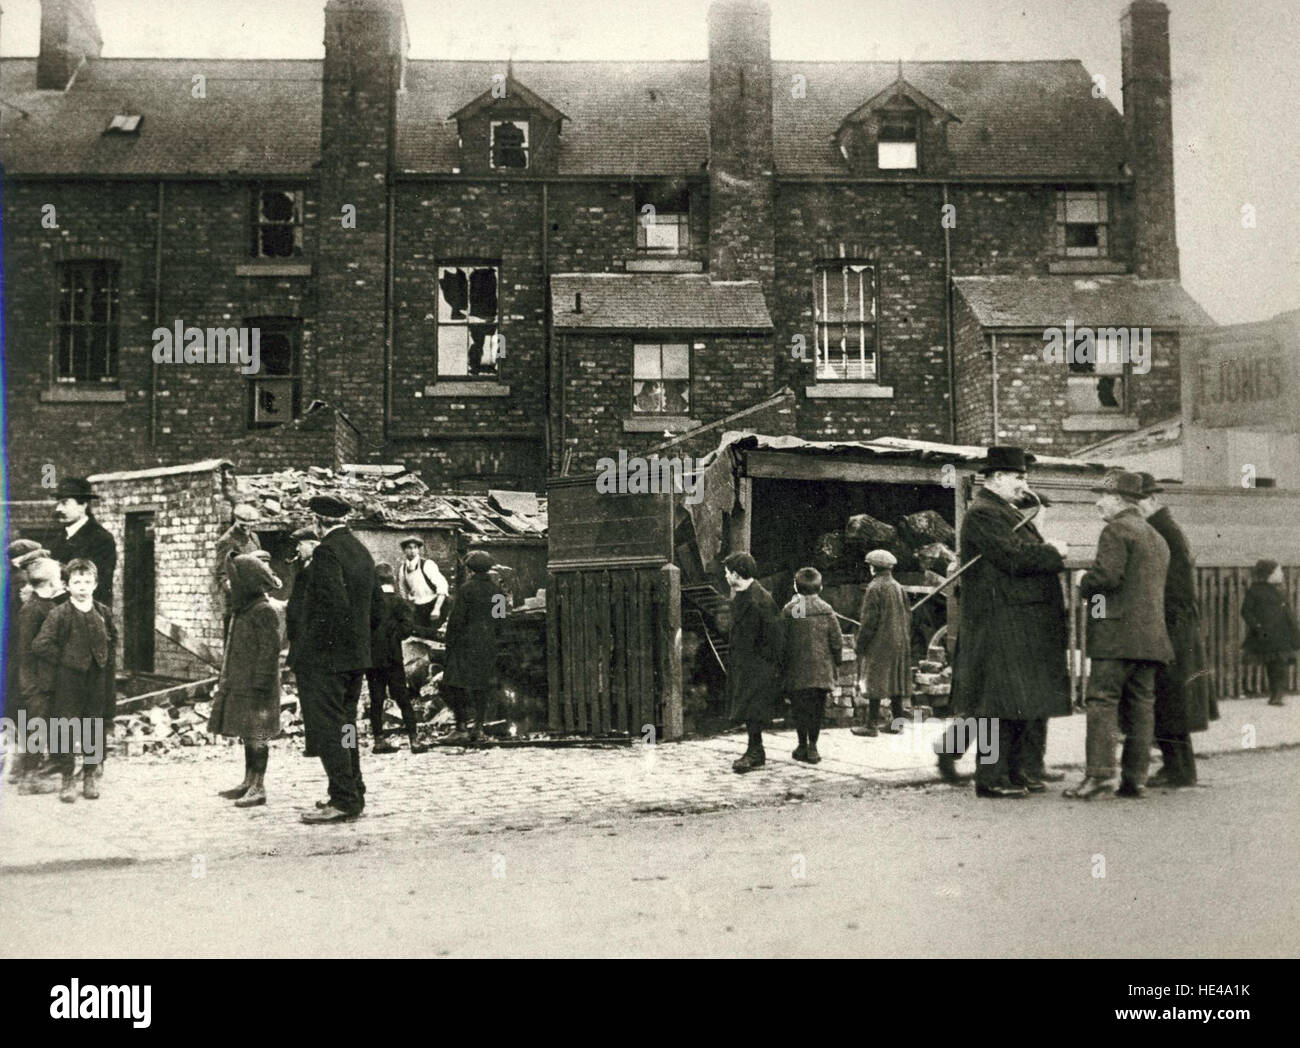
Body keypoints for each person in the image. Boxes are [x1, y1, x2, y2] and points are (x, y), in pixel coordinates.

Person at [946, 446, 1071, 798]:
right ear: (997, 478)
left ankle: (1015, 773)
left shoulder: (1002, 510)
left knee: (1015, 701)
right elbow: (1012, 557)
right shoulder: (984, 513)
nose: (1023, 483)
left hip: (1016, 623)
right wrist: (1053, 551)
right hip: (999, 623)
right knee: (995, 705)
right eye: (1019, 477)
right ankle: (991, 779)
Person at [1066, 470, 1174, 800]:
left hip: (1115, 637)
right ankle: (1135, 779)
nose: (1098, 503)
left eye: (1102, 497)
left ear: (1118, 500)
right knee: (1142, 706)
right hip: (1151, 639)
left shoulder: (1115, 530)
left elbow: (1107, 579)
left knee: (1101, 702)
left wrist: (1084, 583)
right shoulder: (1156, 537)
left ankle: (1099, 776)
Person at [294, 495, 383, 824]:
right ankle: (352, 789)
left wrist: (315, 649)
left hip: (328, 661)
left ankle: (344, 799)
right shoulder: (361, 551)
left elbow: (330, 607)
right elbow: (377, 609)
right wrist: (359, 644)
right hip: (356, 658)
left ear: (318, 522)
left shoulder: (326, 552)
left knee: (329, 727)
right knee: (347, 724)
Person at [1136, 472, 1214, 787]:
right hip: (1175, 625)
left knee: (1171, 700)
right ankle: (1178, 768)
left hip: (1171, 626)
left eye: (1137, 501)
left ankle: (1179, 770)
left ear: (1152, 500)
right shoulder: (1163, 528)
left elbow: (1175, 588)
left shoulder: (1161, 531)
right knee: (1170, 700)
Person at [30, 559, 117, 803]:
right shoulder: (59, 614)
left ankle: (90, 775)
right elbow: (40, 644)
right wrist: (67, 660)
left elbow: (112, 643)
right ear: (67, 586)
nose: (82, 587)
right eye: (77, 582)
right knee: (66, 727)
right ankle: (67, 778)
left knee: (94, 726)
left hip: (97, 679)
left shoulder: (103, 613)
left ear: (96, 584)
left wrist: (106, 669)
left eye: (87, 582)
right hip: (68, 680)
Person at [209, 554, 284, 808]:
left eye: (234, 580)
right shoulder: (245, 609)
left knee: (258, 735)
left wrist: (261, 683)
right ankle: (248, 780)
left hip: (259, 687)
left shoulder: (263, 610)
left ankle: (259, 786)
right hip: (244, 684)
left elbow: (269, 651)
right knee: (247, 733)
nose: (230, 585)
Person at [722, 552, 782, 774]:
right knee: (748, 708)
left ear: (736, 574)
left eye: (727, 573)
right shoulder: (743, 595)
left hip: (758, 665)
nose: (726, 576)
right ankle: (755, 750)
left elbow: (775, 636)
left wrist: (762, 662)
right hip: (746, 663)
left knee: (753, 709)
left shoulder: (760, 600)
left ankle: (755, 752)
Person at [780, 567, 843, 765]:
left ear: (795, 586)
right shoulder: (826, 609)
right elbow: (837, 641)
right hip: (821, 671)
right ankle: (813, 746)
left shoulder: (790, 610)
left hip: (796, 670)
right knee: (817, 709)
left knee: (800, 709)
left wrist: (781, 666)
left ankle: (801, 745)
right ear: (820, 587)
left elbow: (781, 641)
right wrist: (837, 662)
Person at [13, 557, 65, 793]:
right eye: (58, 577)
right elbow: (31, 648)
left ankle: (32, 772)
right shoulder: (34, 609)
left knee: (43, 724)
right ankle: (28, 779)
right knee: (37, 727)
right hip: (36, 679)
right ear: (50, 581)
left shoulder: (44, 605)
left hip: (43, 678)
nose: (61, 581)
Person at [441, 550, 504, 743]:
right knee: (481, 686)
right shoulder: (497, 592)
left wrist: (449, 642)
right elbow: (500, 620)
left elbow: (456, 620)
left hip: (465, 644)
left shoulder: (466, 589)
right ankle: (478, 727)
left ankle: (460, 727)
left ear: (470, 570)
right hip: (487, 644)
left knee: (454, 684)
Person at [367, 561, 426, 754]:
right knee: (402, 698)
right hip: (393, 657)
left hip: (373, 658)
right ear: (392, 580)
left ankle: (378, 740)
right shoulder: (399, 602)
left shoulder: (369, 602)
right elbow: (408, 627)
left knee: (376, 699)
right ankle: (414, 740)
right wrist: (395, 637)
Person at [852, 549, 911, 737]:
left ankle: (871, 725)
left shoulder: (874, 587)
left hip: (880, 641)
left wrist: (860, 644)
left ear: (873, 568)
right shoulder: (898, 587)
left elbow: (869, 621)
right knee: (895, 679)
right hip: (900, 640)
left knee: (873, 679)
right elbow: (908, 615)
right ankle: (897, 723)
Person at [49, 477, 117, 608]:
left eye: (64, 503)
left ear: (83, 505)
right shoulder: (59, 537)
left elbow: (96, 584)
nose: (58, 509)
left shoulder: (101, 539)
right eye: (58, 503)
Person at [1242, 559, 1299, 707]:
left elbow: (1286, 611)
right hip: (1267, 634)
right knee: (1273, 664)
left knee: (1280, 664)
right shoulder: (1255, 590)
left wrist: (1294, 627)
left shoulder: (1278, 589)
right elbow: (1246, 611)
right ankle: (1276, 694)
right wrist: (1258, 627)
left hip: (1282, 633)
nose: (1281, 574)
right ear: (1269, 574)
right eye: (1278, 571)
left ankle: (1277, 694)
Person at [213, 502, 262, 637]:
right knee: (235, 645)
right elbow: (222, 575)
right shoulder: (227, 541)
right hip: (237, 603)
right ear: (237, 520)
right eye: (244, 524)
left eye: (251, 524)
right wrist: (237, 592)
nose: (248, 528)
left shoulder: (254, 537)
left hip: (255, 598)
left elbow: (260, 563)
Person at [397, 536, 449, 631]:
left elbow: (442, 587)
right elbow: (403, 591)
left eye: (415, 547)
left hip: (435, 603)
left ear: (418, 550)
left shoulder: (427, 565)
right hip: (419, 607)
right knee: (421, 636)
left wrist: (436, 609)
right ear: (404, 550)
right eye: (409, 548)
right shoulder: (402, 569)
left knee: (435, 636)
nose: (412, 551)